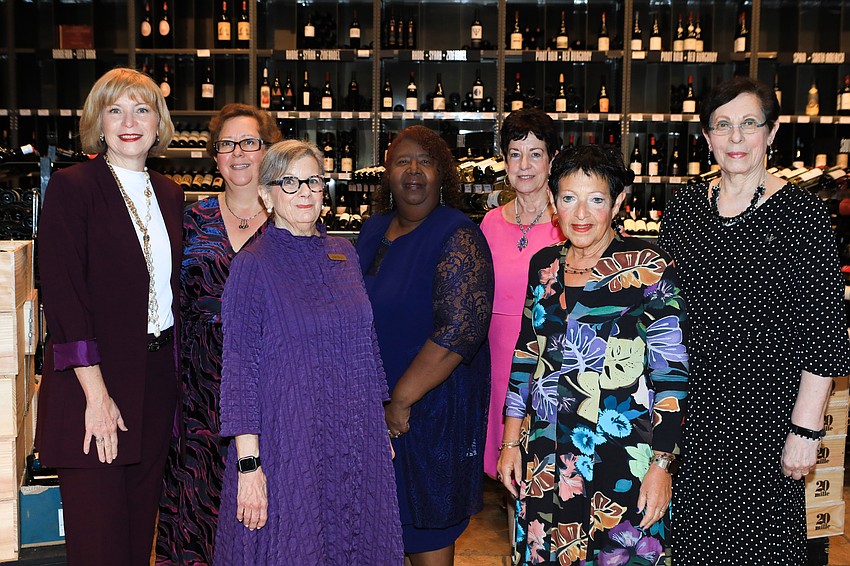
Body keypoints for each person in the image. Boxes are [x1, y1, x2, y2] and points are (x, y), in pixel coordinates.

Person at [658, 76, 850, 564]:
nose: (736, 138)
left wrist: (805, 432)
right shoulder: (683, 211)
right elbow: (661, 315)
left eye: (749, 123)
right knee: (693, 547)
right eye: (722, 125)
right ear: (706, 137)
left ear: (773, 130)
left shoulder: (803, 215)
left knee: (760, 549)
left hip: (768, 419)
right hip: (695, 416)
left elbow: (824, 333)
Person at [212, 140, 403, 564]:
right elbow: (240, 371)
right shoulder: (252, 264)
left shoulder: (344, 253)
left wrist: (377, 425)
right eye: (290, 182)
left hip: (355, 438)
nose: (303, 192)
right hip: (289, 444)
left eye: (313, 181)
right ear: (266, 194)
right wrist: (248, 467)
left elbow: (366, 348)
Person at [497, 144, 689, 565]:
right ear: (552, 202)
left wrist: (661, 467)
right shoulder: (544, 266)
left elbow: (672, 375)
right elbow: (525, 356)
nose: (581, 213)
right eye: (569, 198)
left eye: (596, 199)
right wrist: (510, 443)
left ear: (618, 202)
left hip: (622, 459)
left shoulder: (650, 268)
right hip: (547, 453)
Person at [36, 67, 182, 565]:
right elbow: (64, 297)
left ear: (159, 122)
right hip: (94, 384)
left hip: (156, 380)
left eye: (142, 109)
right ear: (97, 121)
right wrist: (95, 395)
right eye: (114, 109)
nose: (129, 121)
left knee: (140, 536)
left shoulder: (169, 193)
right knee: (99, 543)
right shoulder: (73, 187)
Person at [356, 125, 494, 565]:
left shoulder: (457, 234)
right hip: (373, 409)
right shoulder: (371, 230)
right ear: (387, 172)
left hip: (426, 413)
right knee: (378, 532)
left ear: (443, 174)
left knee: (426, 530)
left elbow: (459, 330)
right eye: (402, 160)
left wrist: (399, 402)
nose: (414, 171)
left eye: (427, 161)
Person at [156, 103, 281, 565]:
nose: (238, 153)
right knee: (194, 510)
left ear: (268, 151)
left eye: (250, 142)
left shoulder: (290, 220)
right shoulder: (189, 221)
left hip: (266, 392)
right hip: (195, 394)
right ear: (214, 156)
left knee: (261, 510)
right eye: (226, 144)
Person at [481, 108, 564, 482]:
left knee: (552, 466)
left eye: (535, 153)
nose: (525, 164)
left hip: (553, 358)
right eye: (515, 153)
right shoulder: (489, 223)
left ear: (553, 159)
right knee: (509, 468)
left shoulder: (570, 222)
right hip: (498, 358)